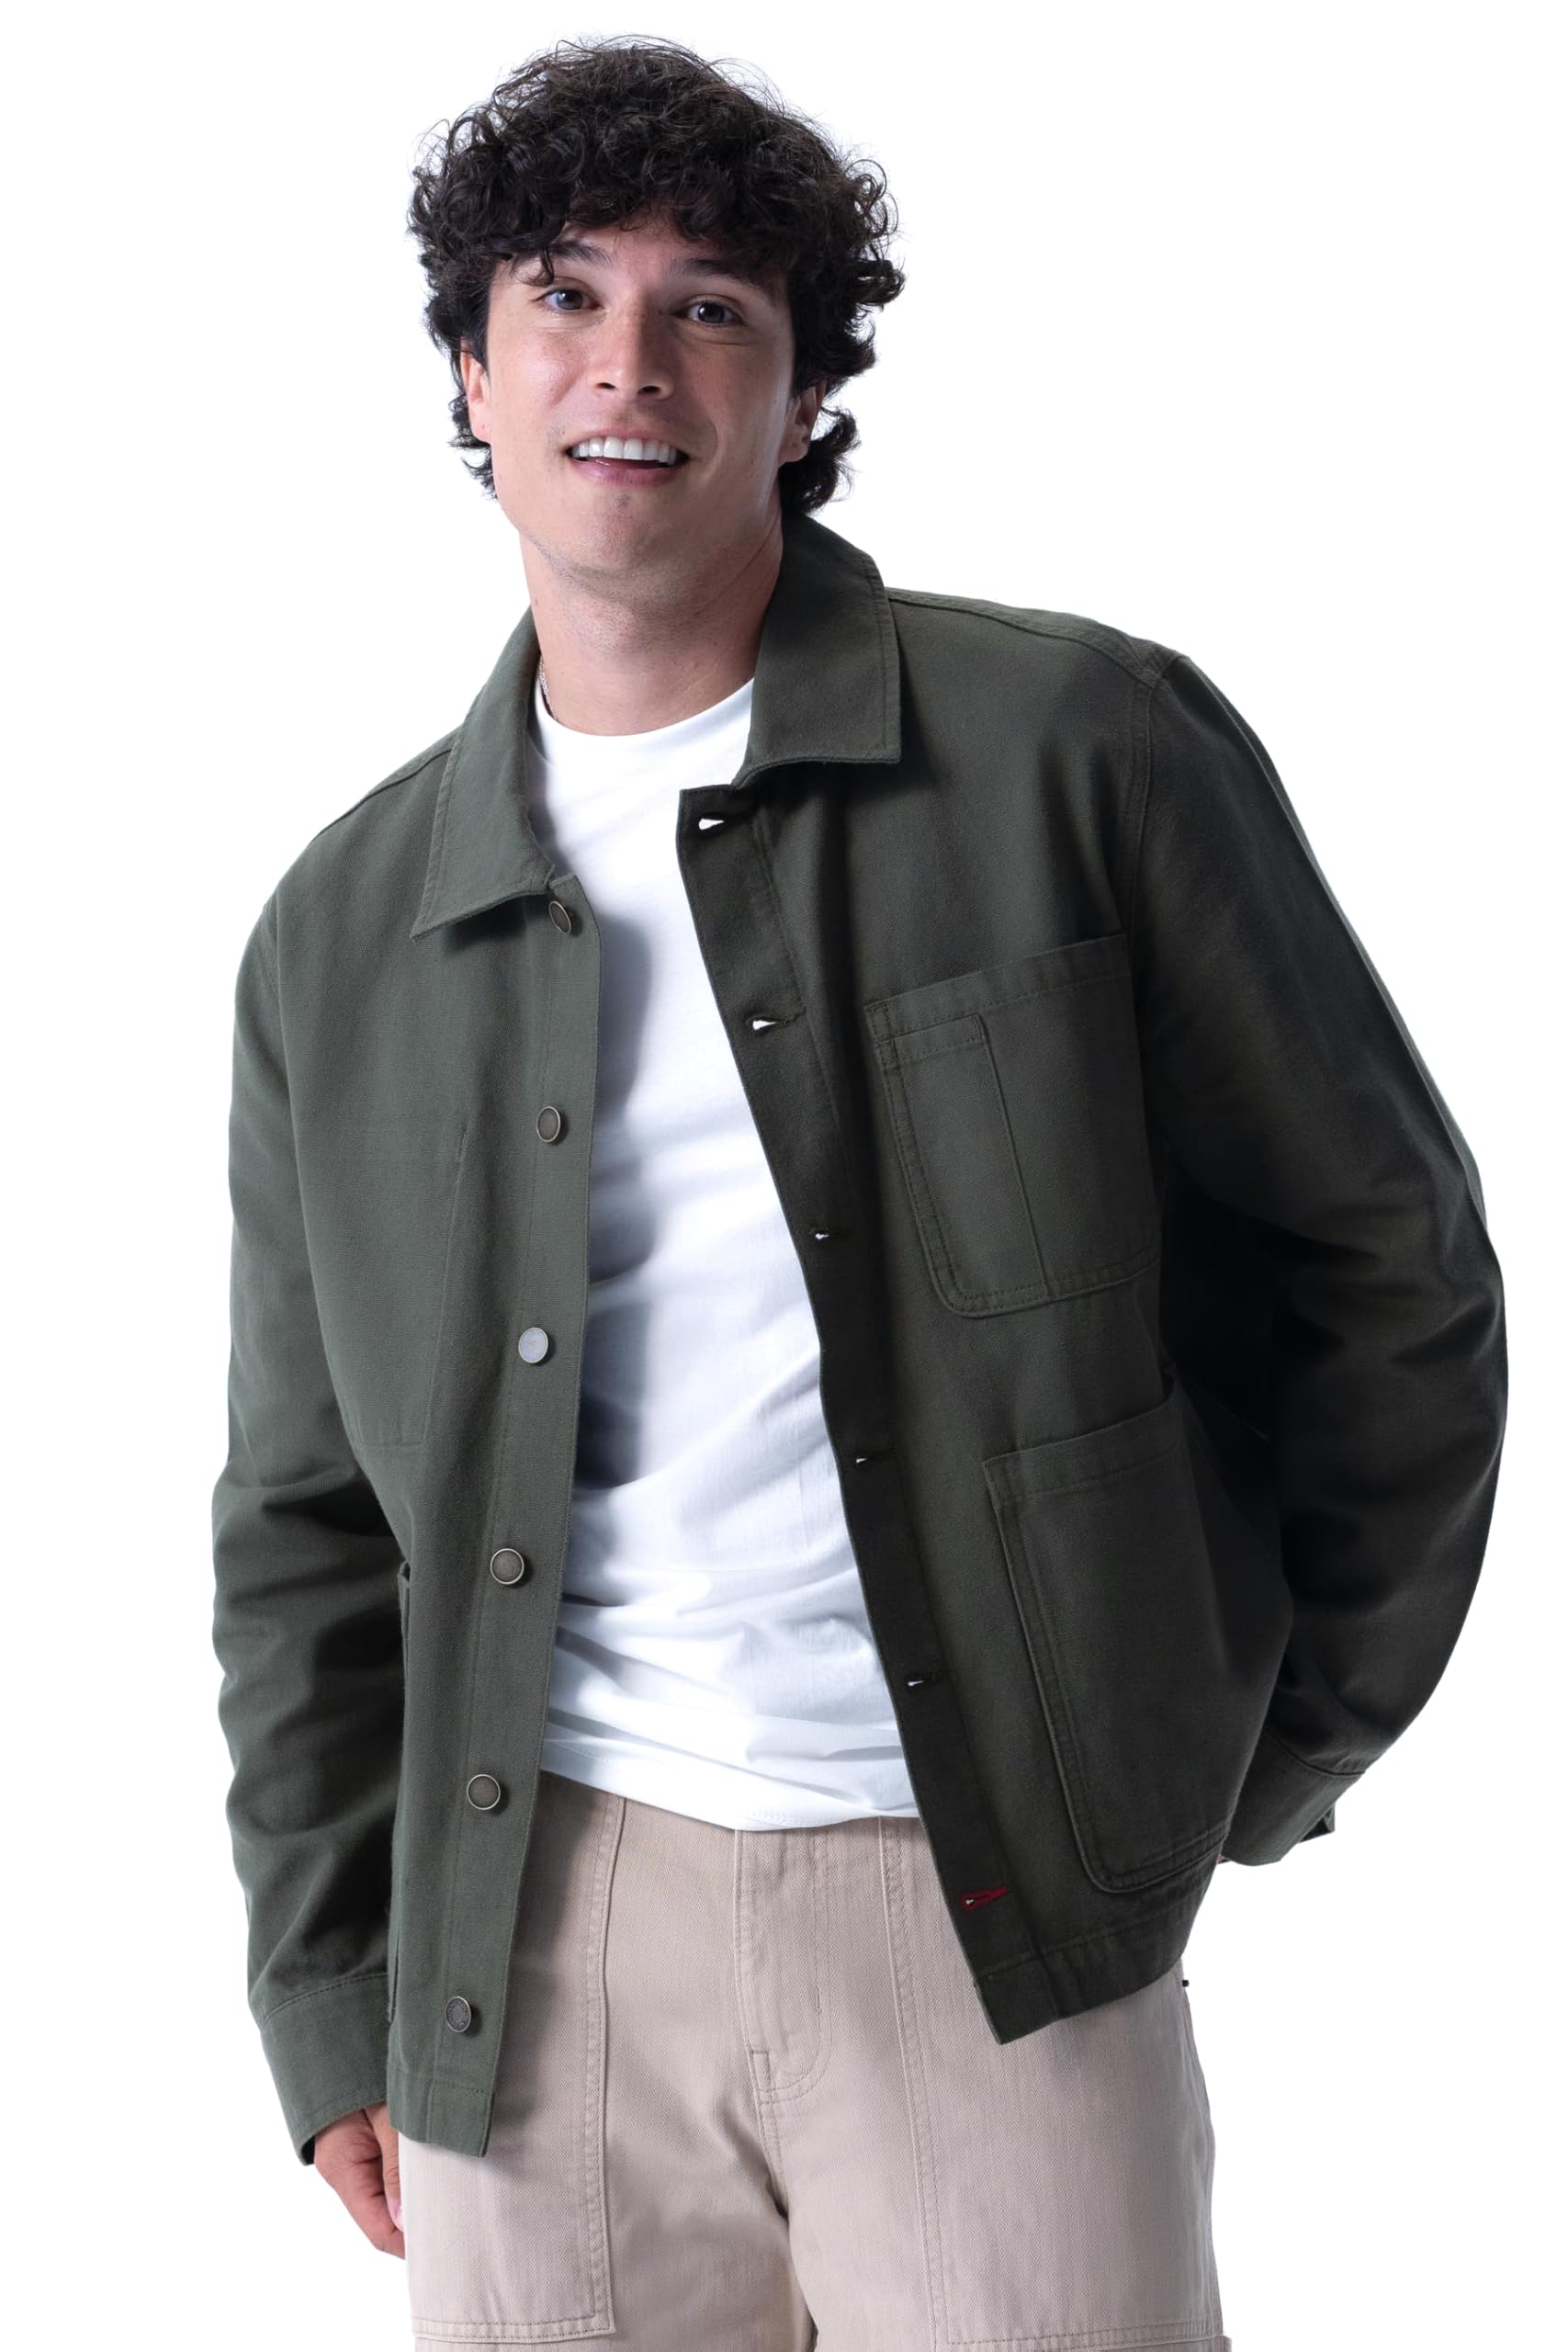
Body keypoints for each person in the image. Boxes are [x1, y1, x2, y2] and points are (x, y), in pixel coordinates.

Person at [210, 35, 1507, 2351]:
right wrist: (332, 1990)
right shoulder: (347, 924)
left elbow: (1383, 1267)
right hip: (525, 1922)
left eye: (708, 307)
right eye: (560, 295)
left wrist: (1239, 1741)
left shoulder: (1074, 750)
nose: (627, 363)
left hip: (985, 1892)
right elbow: (302, 1513)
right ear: (472, 375)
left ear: (801, 390)